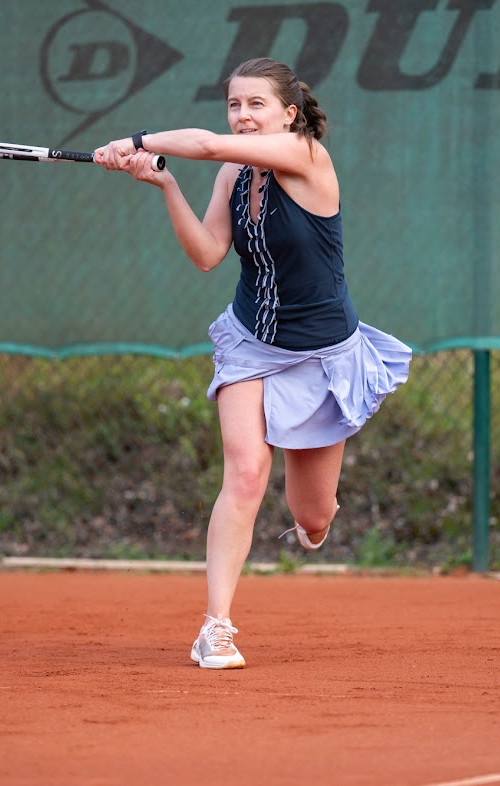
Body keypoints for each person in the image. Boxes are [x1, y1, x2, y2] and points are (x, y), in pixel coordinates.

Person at [94, 57, 411, 669]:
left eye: (256, 104)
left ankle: (314, 522)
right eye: (235, 105)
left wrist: (136, 140)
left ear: (289, 114)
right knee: (244, 475)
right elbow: (208, 254)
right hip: (250, 342)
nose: (242, 116)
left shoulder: (307, 156)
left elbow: (208, 143)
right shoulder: (233, 174)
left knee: (311, 515)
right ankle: (216, 628)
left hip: (323, 353)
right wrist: (165, 184)